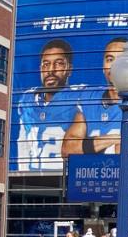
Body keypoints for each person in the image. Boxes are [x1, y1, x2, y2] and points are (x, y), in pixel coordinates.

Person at [62, 36, 128, 158]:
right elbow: (67, 149)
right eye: (110, 59)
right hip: (92, 176)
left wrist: (88, 148)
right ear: (103, 66)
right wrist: (115, 139)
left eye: (121, 59)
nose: (114, 66)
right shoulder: (88, 99)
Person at [16, 38, 84, 170]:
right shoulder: (28, 100)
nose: (50, 70)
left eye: (58, 64)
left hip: (67, 178)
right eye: (46, 64)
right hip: (33, 178)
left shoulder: (80, 98)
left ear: (69, 69)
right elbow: (23, 144)